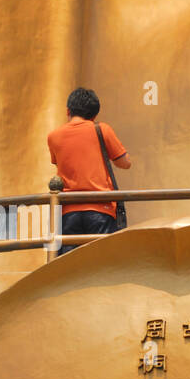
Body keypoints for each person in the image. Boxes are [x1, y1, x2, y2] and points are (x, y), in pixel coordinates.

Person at [47, 87, 131, 255]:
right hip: (101, 208)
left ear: (68, 111)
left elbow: (58, 162)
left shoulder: (53, 136)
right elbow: (125, 163)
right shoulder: (102, 130)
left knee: (69, 265)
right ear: (94, 115)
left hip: (68, 211)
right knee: (100, 263)